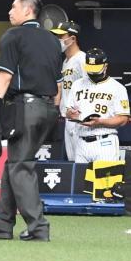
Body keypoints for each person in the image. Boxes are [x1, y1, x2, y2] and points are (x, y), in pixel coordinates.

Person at [0, 0, 63, 242]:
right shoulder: (53, 40)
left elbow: (4, 77)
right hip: (48, 108)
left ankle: (38, 227)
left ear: (27, 11)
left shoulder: (13, 35)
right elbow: (58, 87)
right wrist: (53, 111)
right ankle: (1, 223)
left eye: (13, 7)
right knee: (15, 163)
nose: (9, 11)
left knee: (20, 167)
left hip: (27, 107)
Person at [65, 48, 130, 163]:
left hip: (105, 141)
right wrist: (70, 114)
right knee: (80, 180)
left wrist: (100, 121)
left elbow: (123, 119)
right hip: (81, 142)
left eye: (96, 69)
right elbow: (68, 111)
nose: (92, 73)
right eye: (90, 69)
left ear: (105, 66)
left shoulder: (118, 88)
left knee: (105, 181)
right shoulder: (77, 85)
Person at [50, 20, 86, 161]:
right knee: (72, 160)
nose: (58, 40)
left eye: (61, 36)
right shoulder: (65, 61)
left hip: (80, 118)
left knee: (81, 160)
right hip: (67, 117)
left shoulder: (82, 58)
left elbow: (91, 86)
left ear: (72, 38)